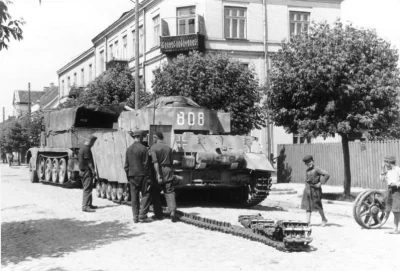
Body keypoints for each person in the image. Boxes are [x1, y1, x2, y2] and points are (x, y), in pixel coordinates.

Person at [124, 130, 152, 223]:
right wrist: (148, 177)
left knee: (134, 196)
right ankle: (142, 215)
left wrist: (128, 176)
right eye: (143, 136)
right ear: (140, 137)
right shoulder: (144, 149)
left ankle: (135, 217)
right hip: (142, 175)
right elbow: (146, 164)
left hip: (132, 175)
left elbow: (126, 166)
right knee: (146, 194)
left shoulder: (129, 149)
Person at [150, 131, 177, 222]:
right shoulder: (169, 148)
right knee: (169, 191)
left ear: (157, 138)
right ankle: (172, 211)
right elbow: (172, 162)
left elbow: (155, 162)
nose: (153, 139)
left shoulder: (153, 148)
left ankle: (158, 214)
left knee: (155, 192)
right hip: (168, 170)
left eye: (154, 137)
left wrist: (158, 174)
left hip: (159, 171)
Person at [300, 155, 330, 226]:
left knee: (318, 205)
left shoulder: (317, 169)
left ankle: (324, 219)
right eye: (307, 163)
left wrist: (320, 183)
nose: (309, 164)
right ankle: (308, 222)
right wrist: (306, 189)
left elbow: (327, 174)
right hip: (308, 189)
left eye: (310, 162)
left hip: (315, 190)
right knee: (308, 206)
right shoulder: (307, 170)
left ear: (313, 161)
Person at [380, 155, 400, 234]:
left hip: (397, 191)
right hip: (390, 191)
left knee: (397, 210)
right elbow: (382, 180)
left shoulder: (398, 169)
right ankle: (395, 229)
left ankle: (395, 229)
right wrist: (382, 169)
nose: (385, 165)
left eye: (385, 164)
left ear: (389, 163)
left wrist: (396, 184)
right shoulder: (388, 171)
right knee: (393, 210)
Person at [78, 135, 98, 213]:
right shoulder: (86, 149)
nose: (93, 144)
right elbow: (89, 162)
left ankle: (89, 204)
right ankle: (85, 206)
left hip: (82, 170)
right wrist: (93, 171)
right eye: (93, 142)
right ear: (91, 141)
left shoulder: (82, 148)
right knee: (87, 189)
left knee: (88, 188)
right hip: (86, 171)